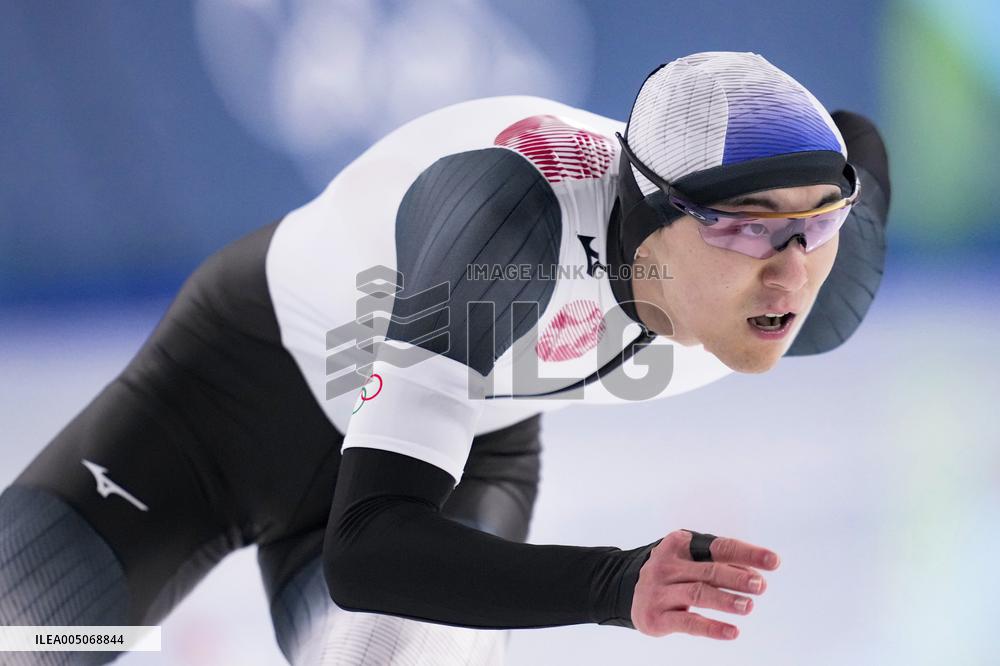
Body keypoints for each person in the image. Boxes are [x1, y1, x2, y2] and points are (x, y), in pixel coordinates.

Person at [0, 51, 890, 664]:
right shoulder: (510, 220)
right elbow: (365, 548)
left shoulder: (818, 291)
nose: (790, 271)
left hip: (457, 444)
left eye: (818, 223)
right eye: (745, 226)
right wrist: (615, 583)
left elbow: (860, 145)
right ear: (650, 213)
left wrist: (819, 197)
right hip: (228, 401)